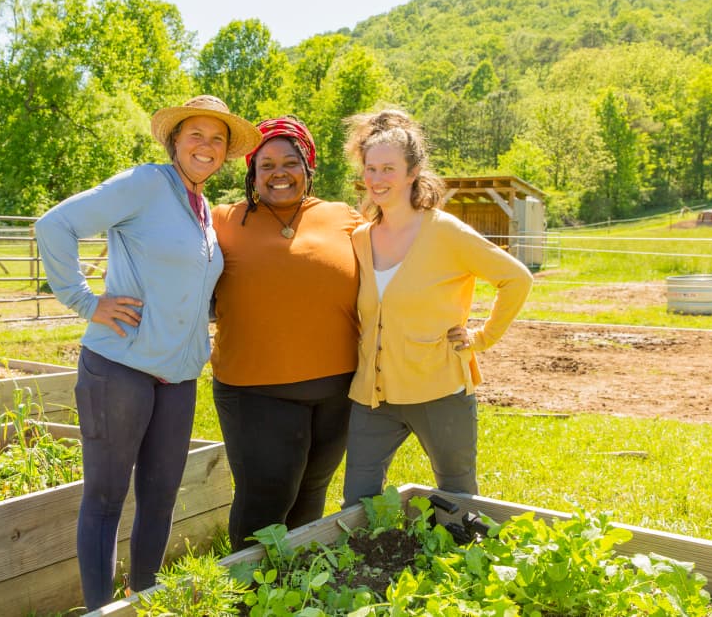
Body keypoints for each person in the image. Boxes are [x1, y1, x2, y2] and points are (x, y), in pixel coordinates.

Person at [35, 95, 261, 609]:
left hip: (177, 378)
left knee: (159, 500)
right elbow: (55, 224)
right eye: (196, 134)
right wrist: (84, 301)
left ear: (226, 153)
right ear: (174, 141)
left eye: (217, 138)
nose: (206, 145)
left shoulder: (203, 210)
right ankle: (101, 609)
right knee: (106, 499)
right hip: (120, 369)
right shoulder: (144, 185)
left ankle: (143, 599)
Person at [340, 108, 533, 508]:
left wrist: (482, 338)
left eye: (388, 169)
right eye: (371, 169)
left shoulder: (444, 231)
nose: (377, 180)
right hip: (373, 398)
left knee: (459, 497)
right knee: (357, 502)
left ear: (412, 173)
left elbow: (516, 278)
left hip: (439, 389)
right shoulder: (360, 238)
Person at [210, 116, 364, 551]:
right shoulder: (224, 221)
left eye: (290, 162)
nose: (279, 172)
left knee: (312, 493)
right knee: (266, 499)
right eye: (266, 165)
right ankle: (246, 595)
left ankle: (293, 589)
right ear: (252, 174)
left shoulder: (341, 217)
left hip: (338, 389)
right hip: (255, 390)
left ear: (308, 166)